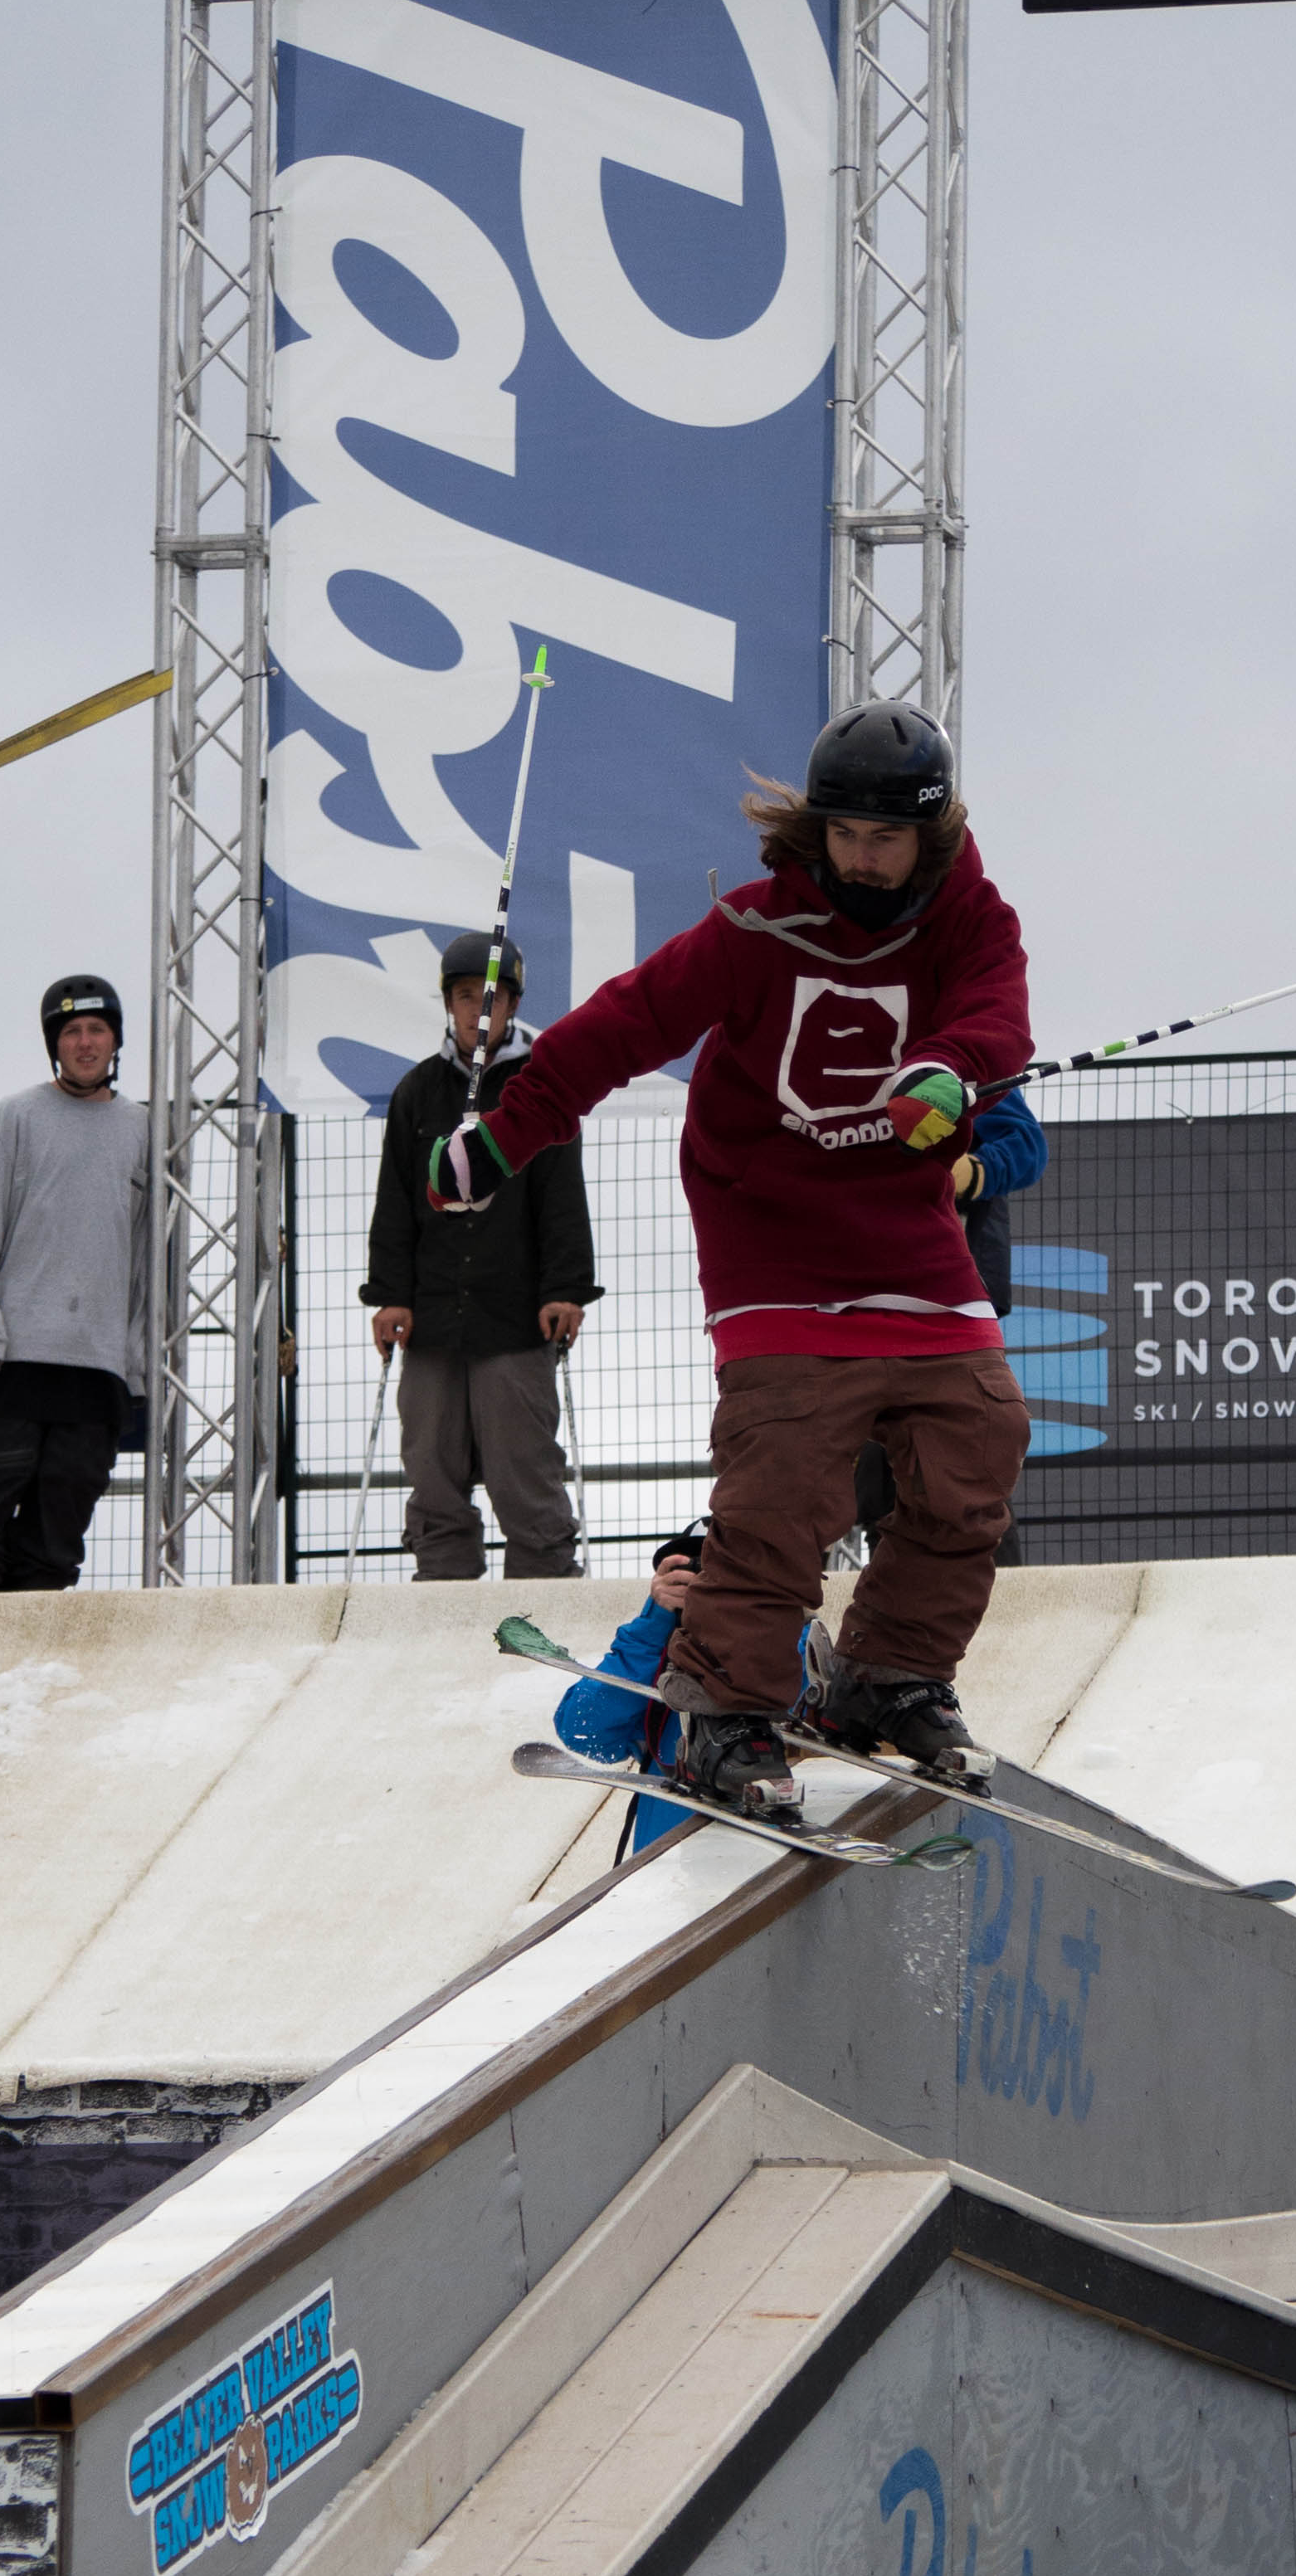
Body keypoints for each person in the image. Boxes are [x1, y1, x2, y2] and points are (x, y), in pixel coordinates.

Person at [426, 700, 1031, 1821]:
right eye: (843, 836)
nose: (861, 859)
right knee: (787, 1471)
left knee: (979, 1434)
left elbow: (998, 1010)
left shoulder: (965, 920)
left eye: (884, 840)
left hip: (903, 1225)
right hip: (769, 1228)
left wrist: (952, 1064)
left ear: (928, 837)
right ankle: (724, 1707)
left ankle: (888, 1676)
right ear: (816, 829)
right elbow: (623, 1025)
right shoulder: (754, 930)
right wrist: (504, 1132)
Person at [363, 931, 591, 1582]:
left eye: (490, 999)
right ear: (448, 1003)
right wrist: (390, 1295)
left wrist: (565, 1287)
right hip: (431, 1319)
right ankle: (441, 1625)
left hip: (516, 1318)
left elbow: (561, 1196)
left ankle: (544, 1611)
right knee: (431, 1474)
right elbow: (395, 1201)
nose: (477, 1013)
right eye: (466, 997)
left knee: (525, 1476)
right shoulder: (417, 1091)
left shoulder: (540, 1085)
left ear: (513, 1004)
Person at [0, 974, 147, 1593]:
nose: (84, 1043)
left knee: (60, 1526)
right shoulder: (15, 1117)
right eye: (71, 1031)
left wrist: (131, 1360)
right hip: (15, 1358)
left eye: (96, 1030)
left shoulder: (142, 1130)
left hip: (97, 1362)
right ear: (54, 1043)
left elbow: (150, 1256)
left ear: (114, 1041)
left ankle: (29, 1671)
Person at [854, 1079, 1045, 1562]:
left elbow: (1027, 1148)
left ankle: (1005, 1605)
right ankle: (889, 1602)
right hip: (851, 1294)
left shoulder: (961, 1065)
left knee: (966, 1465)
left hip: (951, 1298)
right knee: (877, 1468)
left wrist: (973, 1173)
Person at [551, 1524, 708, 1854]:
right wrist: (655, 1622)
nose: (703, 1581)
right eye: (690, 1568)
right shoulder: (658, 1657)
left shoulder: (798, 1644)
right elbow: (585, 1732)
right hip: (663, 1876)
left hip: (764, 1878)